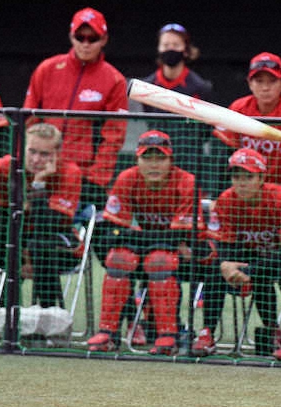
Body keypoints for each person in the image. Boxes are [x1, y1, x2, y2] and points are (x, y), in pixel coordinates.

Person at [86, 130, 221, 355]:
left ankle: (168, 334)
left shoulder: (187, 182)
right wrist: (140, 239)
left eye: (160, 158)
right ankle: (109, 332)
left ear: (171, 160)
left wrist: (137, 238)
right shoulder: (127, 178)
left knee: (159, 259)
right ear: (137, 159)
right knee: (119, 256)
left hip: (193, 255)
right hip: (146, 252)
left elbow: (181, 237)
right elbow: (113, 230)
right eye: (147, 158)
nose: (154, 165)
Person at [204, 147, 281, 360]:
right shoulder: (226, 200)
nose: (242, 182)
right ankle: (207, 334)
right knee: (214, 269)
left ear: (261, 178)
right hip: (259, 258)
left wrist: (250, 270)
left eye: (249, 177)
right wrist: (227, 265)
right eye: (236, 176)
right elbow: (224, 244)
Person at [23, 8, 127, 210]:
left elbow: (114, 135)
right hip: (40, 165)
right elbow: (28, 120)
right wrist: (26, 164)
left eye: (93, 38)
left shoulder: (114, 79)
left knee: (68, 228)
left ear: (104, 39)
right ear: (71, 36)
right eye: (80, 37)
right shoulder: (47, 68)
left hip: (83, 173)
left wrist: (98, 177)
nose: (86, 44)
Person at [0, 123, 82, 307]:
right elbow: (2, 215)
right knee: (11, 243)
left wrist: (39, 183)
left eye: (44, 154)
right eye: (32, 151)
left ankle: (48, 315)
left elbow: (48, 224)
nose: (36, 160)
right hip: (16, 237)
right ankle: (3, 313)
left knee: (39, 246)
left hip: (58, 241)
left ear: (57, 153)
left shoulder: (70, 172)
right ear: (23, 148)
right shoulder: (5, 167)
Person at [214, 52, 281, 207]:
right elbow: (225, 156)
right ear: (250, 83)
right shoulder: (238, 108)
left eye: (272, 81)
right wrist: (217, 196)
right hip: (244, 192)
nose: (265, 88)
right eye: (259, 81)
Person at [140, 23, 215, 189]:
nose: (170, 49)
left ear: (186, 50)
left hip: (190, 162)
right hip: (156, 161)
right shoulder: (147, 86)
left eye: (176, 45)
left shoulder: (200, 87)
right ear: (159, 49)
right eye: (166, 45)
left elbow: (206, 131)